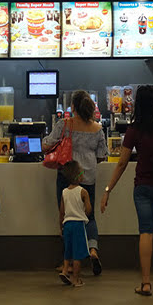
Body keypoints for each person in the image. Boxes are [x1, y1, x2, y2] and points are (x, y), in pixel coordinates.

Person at [101, 85, 153, 296]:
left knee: (145, 231)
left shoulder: (134, 129)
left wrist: (108, 189)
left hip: (143, 187)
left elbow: (122, 163)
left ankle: (146, 284)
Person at [43, 90, 107, 275]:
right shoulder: (97, 128)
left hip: (67, 177)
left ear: (73, 107)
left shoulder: (65, 124)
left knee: (67, 218)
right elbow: (102, 155)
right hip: (89, 178)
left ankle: (69, 262)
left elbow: (47, 145)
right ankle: (93, 250)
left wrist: (46, 141)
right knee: (89, 217)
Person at [58, 160, 92, 288]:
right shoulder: (83, 192)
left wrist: (60, 227)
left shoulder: (64, 192)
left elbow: (61, 212)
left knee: (68, 250)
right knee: (78, 253)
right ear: (78, 176)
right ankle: (76, 279)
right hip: (78, 225)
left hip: (67, 225)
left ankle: (65, 271)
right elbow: (89, 209)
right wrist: (83, 211)